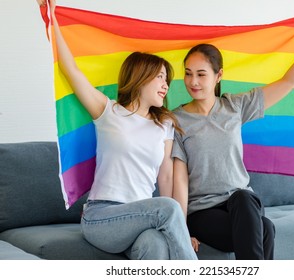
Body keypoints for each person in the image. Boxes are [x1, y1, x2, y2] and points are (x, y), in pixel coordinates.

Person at [37, 0, 197, 260]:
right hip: (102, 216)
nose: (165, 85)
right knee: (166, 209)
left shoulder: (164, 125)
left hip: (142, 217)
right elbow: (71, 70)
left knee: (154, 244)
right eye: (159, 77)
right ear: (140, 76)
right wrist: (52, 19)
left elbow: (166, 180)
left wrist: (179, 229)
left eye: (166, 79)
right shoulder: (107, 111)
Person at [172, 9, 294, 259]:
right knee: (265, 228)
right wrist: (180, 227)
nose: (193, 81)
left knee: (244, 198)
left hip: (241, 205)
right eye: (188, 73)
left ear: (218, 76)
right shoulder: (177, 121)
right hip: (202, 213)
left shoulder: (235, 107)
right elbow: (180, 181)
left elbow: (288, 82)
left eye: (201, 74)